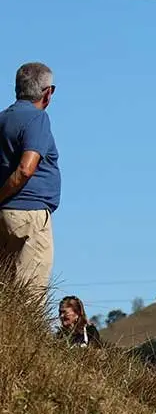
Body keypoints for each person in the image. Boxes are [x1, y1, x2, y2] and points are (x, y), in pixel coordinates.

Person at [0, 62, 60, 293]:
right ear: (48, 92)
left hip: (6, 215)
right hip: (29, 213)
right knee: (30, 293)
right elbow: (26, 169)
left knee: (7, 290)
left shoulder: (4, 119)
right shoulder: (37, 119)